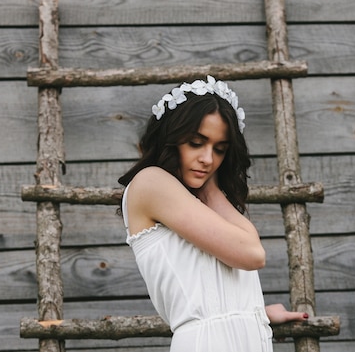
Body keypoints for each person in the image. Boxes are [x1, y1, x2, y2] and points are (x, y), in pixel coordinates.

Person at [118, 75, 308, 351]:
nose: (208, 159)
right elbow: (252, 254)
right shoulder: (150, 182)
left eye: (220, 150)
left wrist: (255, 311)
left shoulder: (193, 203)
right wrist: (211, 186)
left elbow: (201, 285)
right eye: (196, 143)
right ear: (171, 140)